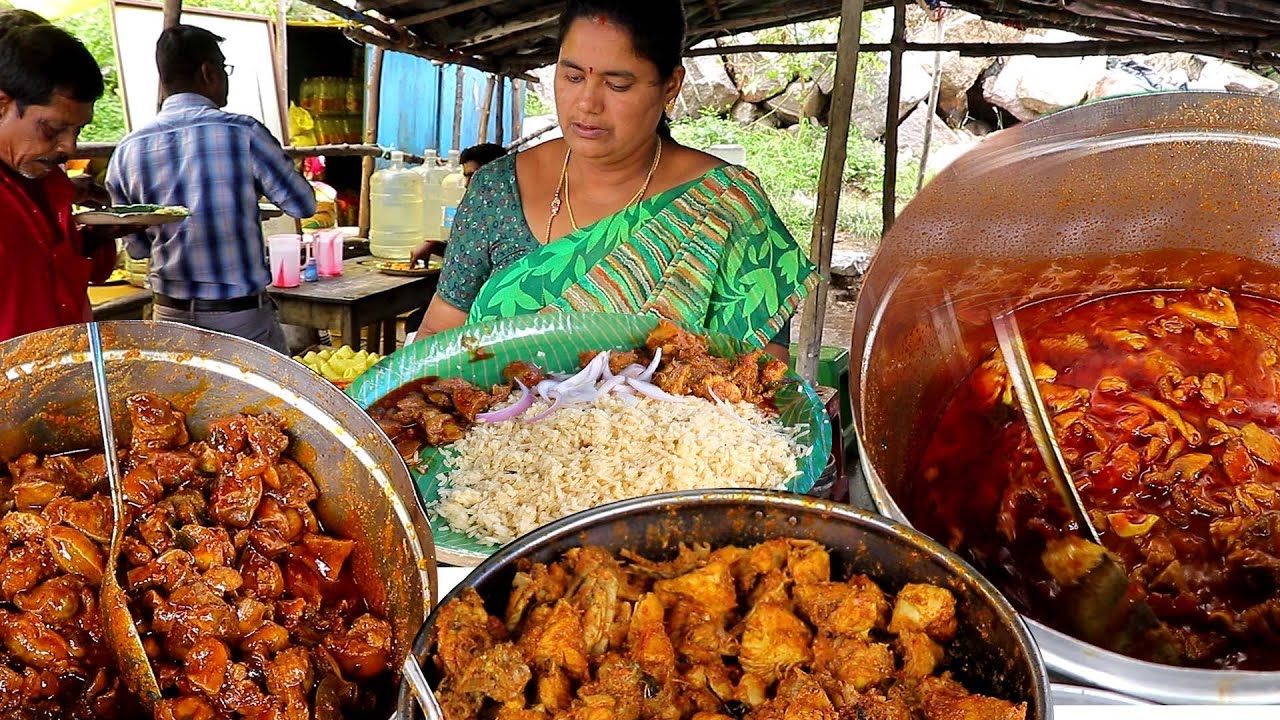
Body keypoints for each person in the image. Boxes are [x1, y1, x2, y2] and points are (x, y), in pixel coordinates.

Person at [413, 0, 816, 360]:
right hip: (494, 438)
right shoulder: (498, 189)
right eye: (572, 77)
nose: (587, 103)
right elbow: (437, 335)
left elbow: (761, 372)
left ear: (670, 85)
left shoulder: (725, 206)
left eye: (617, 84)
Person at [107, 24, 315, 355]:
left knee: (179, 404)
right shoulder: (243, 133)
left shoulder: (128, 149)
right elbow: (303, 205)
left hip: (169, 315)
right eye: (223, 67)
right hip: (240, 320)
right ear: (208, 72)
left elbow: (137, 249)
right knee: (259, 405)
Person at [0, 19, 120, 342]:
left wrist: (95, 238)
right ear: (2, 105)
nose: (69, 147)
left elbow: (67, 279)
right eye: (52, 130)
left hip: (69, 376)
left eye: (77, 131)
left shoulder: (51, 183)